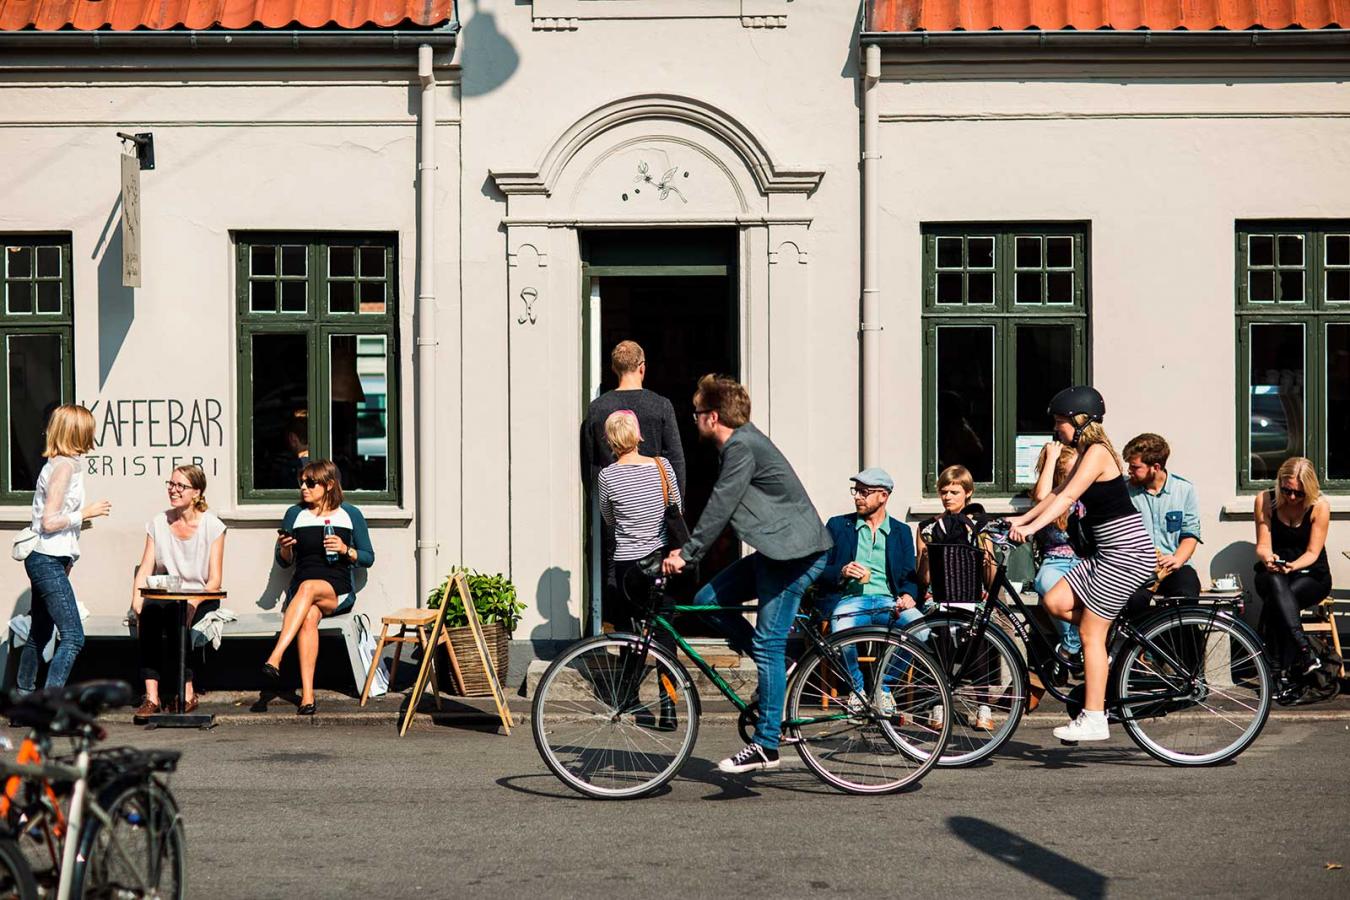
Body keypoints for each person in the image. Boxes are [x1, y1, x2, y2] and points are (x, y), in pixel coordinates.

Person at [662, 374, 832, 774]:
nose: (693, 418)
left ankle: (766, 744)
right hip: (778, 551)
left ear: (713, 416)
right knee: (706, 602)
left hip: (795, 555)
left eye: (697, 412)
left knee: (768, 643)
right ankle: (784, 660)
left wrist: (687, 553)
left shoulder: (741, 447)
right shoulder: (740, 444)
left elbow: (722, 503)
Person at [1009, 386, 1156, 743]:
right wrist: (1019, 521)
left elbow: (1070, 497)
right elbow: (1058, 493)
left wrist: (1030, 529)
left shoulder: (1098, 452)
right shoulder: (1083, 453)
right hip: (1103, 555)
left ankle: (1094, 717)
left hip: (1126, 554)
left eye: (1060, 422)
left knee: (1090, 632)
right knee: (1055, 601)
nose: (1056, 430)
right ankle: (1102, 651)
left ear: (1080, 420)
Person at [581, 341, 686, 627]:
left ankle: (628, 662)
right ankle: (667, 667)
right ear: (642, 367)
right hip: (658, 528)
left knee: (625, 602)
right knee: (662, 607)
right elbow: (675, 460)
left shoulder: (597, 408)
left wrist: (607, 511)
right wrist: (675, 511)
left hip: (620, 525)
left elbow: (591, 466)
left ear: (613, 369)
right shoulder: (660, 405)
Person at [263, 460, 374, 714]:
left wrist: (346, 550)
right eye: (301, 482)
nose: (304, 487)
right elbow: (283, 562)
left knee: (308, 588)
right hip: (303, 588)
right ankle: (308, 697)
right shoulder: (295, 514)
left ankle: (276, 655)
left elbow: (368, 557)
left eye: (310, 483)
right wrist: (285, 547)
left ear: (329, 485)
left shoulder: (350, 514)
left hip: (337, 589)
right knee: (309, 617)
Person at [597, 410, 683, 726]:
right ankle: (670, 708)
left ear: (610, 441)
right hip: (661, 561)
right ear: (639, 436)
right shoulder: (663, 467)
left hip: (628, 566)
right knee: (664, 634)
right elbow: (676, 509)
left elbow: (609, 518)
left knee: (631, 634)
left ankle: (630, 701)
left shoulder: (606, 476)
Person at [816, 468, 925, 718]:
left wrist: (909, 595)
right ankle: (857, 689)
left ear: (883, 496)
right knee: (841, 627)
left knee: (922, 628)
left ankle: (882, 688)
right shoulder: (838, 525)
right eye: (856, 491)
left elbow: (910, 574)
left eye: (865, 492)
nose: (858, 497)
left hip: (889, 602)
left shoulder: (900, 531)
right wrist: (842, 571)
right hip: (851, 601)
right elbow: (818, 568)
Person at [18, 404, 111, 694]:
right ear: (77, 432)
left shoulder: (63, 464)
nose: (92, 434)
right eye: (88, 429)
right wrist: (85, 513)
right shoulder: (64, 467)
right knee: (73, 636)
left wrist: (77, 526)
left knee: (41, 631)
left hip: (48, 558)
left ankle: (24, 699)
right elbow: (49, 521)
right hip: (46, 558)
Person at [129, 465, 226, 718]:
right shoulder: (159, 522)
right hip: (166, 593)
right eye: (171, 484)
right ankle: (151, 697)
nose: (173, 490)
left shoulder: (213, 526)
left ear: (196, 492)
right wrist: (136, 600)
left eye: (180, 486)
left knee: (176, 615)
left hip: (200, 595)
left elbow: (214, 581)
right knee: (149, 613)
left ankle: (187, 692)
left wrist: (193, 603)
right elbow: (146, 565)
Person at [1252, 457, 1335, 703]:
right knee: (1277, 584)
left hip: (1310, 574)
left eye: (1298, 493)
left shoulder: (1319, 506)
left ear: (1309, 490)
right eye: (1286, 490)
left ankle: (1275, 673)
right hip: (1273, 572)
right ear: (1279, 483)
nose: (1291, 497)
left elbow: (1312, 553)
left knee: (1279, 599)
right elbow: (1263, 545)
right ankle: (1304, 651)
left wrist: (1292, 566)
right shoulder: (1265, 500)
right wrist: (1269, 558)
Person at [1122, 433, 1203, 614]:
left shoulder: (1183, 490)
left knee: (1186, 596)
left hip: (1174, 568)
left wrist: (1177, 559)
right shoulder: (1124, 490)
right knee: (1132, 602)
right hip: (1137, 569)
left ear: (1155, 467)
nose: (1129, 471)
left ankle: (1185, 641)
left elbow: (1190, 534)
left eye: (1135, 467)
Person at [1032, 442, 1084, 672]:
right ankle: (1073, 644)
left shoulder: (1084, 491)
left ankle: (1068, 649)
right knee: (1045, 584)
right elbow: (1041, 496)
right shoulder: (1055, 495)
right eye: (1070, 470)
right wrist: (1051, 458)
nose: (1076, 474)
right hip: (1055, 560)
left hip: (1084, 560)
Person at [915, 464, 993, 597]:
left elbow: (991, 580)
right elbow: (923, 581)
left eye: (954, 492)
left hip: (973, 595)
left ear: (968, 492)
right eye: (944, 492)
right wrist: (926, 560)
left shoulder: (980, 526)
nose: (947, 497)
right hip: (938, 596)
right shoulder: (927, 528)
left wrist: (987, 563)